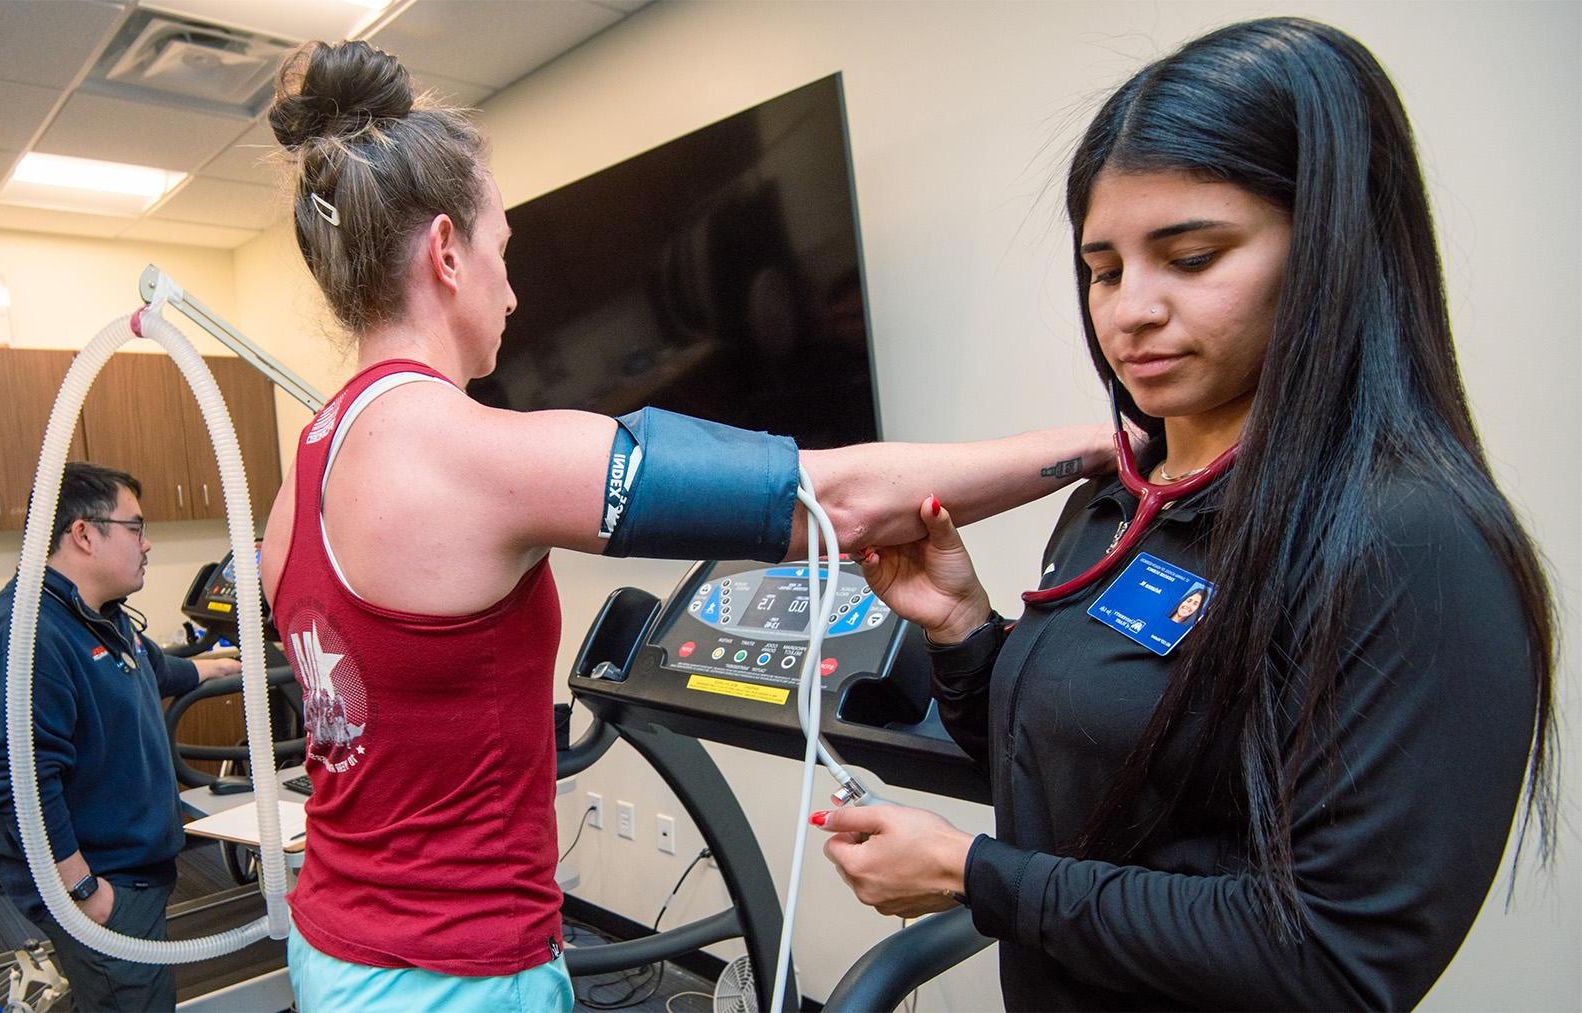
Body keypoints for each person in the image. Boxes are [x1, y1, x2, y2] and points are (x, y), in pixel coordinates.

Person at [256, 40, 1123, 1012]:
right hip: (452, 976)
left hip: (333, 947)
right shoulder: (466, 449)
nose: (514, 289)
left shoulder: (304, 469)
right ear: (448, 251)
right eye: (505, 252)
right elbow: (831, 501)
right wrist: (1098, 442)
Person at [815, 17, 1557, 1010]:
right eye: (1105, 268)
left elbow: (1334, 960)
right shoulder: (1116, 499)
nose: (1129, 311)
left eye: (1193, 257)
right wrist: (959, 628)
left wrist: (969, 872)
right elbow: (1069, 782)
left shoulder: (1409, 538)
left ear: (1334, 248)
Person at [0, 462, 241, 1012]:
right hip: (100, 884)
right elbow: (18, 784)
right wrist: (83, 892)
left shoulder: (96, 615)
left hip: (132, 869)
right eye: (135, 528)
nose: (147, 543)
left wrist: (209, 669)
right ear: (84, 534)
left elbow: (144, 665)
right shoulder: (27, 636)